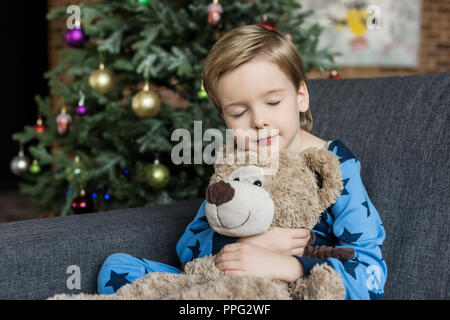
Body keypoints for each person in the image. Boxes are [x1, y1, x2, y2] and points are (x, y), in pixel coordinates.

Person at [97, 24, 387, 300]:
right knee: (117, 267)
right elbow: (188, 249)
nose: (259, 120)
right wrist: (246, 247)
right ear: (224, 118)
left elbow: (370, 273)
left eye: (273, 102)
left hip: (288, 290)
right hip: (221, 283)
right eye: (238, 112)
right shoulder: (236, 163)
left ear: (300, 97)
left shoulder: (336, 164)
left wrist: (288, 265)